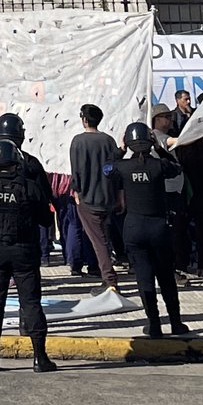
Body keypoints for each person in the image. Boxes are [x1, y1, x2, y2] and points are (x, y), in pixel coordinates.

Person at [0, 114, 54, 373]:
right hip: (24, 246)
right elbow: (45, 214)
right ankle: (39, 357)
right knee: (31, 302)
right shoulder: (30, 178)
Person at [107, 121, 191, 339]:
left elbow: (106, 168)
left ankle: (154, 324)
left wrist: (120, 149)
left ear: (129, 142)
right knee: (166, 277)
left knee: (144, 278)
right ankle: (175, 322)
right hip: (158, 227)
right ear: (150, 141)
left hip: (134, 227)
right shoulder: (158, 166)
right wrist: (160, 148)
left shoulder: (123, 168)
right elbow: (177, 168)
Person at [66, 104, 121, 296]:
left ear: (84, 120)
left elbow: (77, 171)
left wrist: (76, 191)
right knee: (104, 238)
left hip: (88, 198)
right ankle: (107, 275)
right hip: (107, 197)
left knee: (98, 241)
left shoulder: (78, 142)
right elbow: (115, 166)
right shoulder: (108, 140)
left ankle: (109, 280)